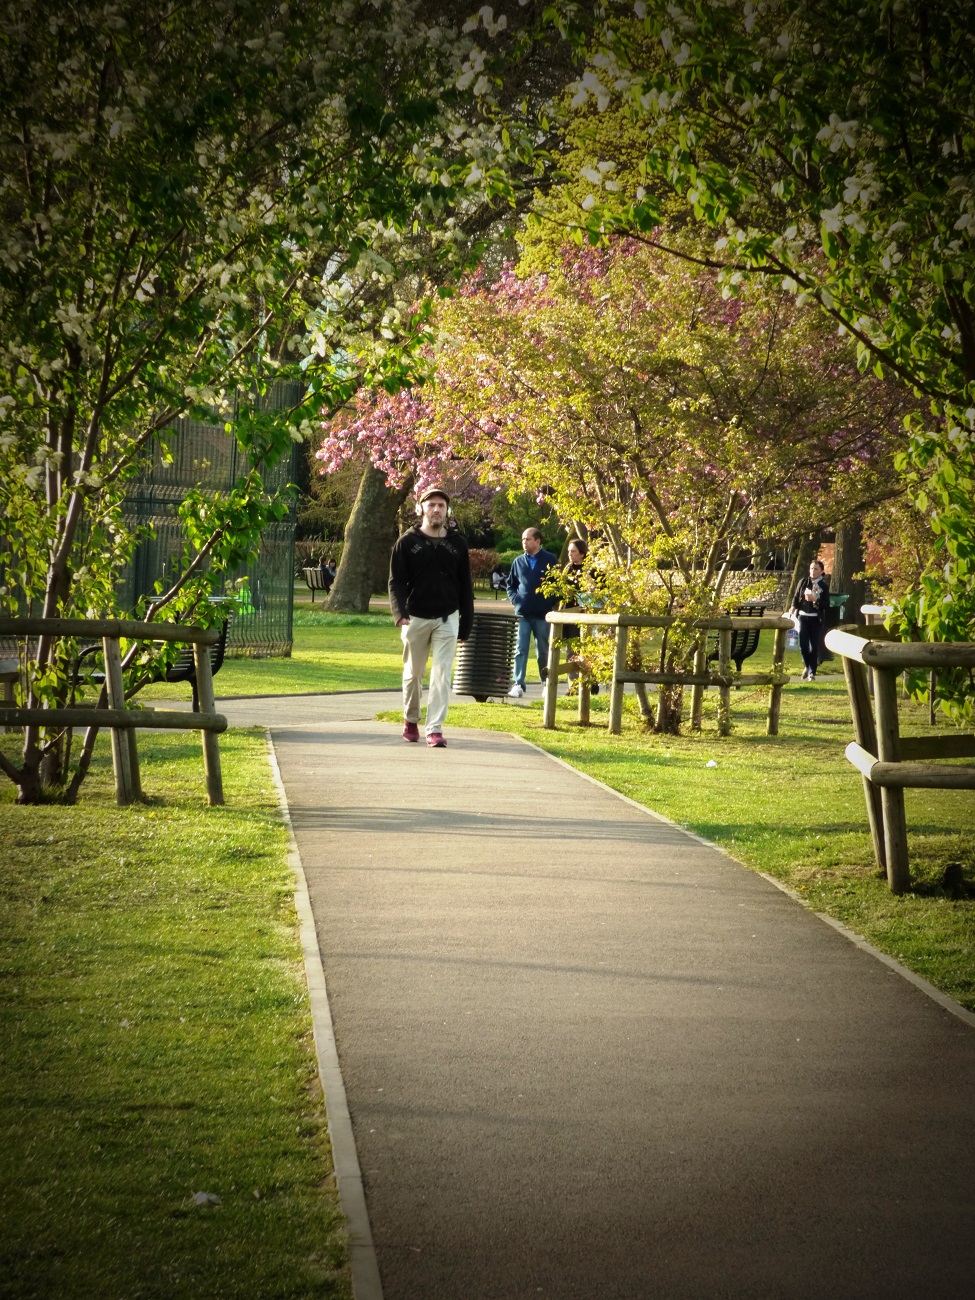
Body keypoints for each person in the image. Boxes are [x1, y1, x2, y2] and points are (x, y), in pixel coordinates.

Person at [389, 485, 474, 747]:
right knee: (413, 675)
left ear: (448, 511)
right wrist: (400, 613)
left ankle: (434, 728)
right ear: (421, 509)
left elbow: (465, 585)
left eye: (441, 505)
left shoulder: (458, 544)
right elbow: (396, 582)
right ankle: (410, 718)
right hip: (415, 617)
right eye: (431, 505)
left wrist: (465, 625)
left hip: (447, 618)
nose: (436, 509)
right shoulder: (407, 542)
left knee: (441, 674)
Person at [506, 527, 558, 697]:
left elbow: (558, 587)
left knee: (543, 650)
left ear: (537, 541)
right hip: (522, 614)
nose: (524, 542)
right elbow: (511, 584)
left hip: (543, 615)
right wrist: (516, 599)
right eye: (523, 539)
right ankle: (518, 684)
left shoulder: (550, 560)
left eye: (528, 539)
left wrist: (547, 602)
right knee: (520, 649)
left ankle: (546, 683)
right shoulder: (518, 562)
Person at [560, 537, 599, 694]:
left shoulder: (592, 570)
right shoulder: (567, 569)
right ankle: (573, 687)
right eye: (569, 551)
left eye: (573, 551)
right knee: (572, 651)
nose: (570, 554)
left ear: (582, 553)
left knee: (588, 650)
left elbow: (601, 594)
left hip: (588, 615)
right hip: (570, 616)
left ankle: (592, 680)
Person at [788, 559, 830, 680]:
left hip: (816, 619)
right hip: (802, 617)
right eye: (811, 568)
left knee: (814, 646)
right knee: (803, 645)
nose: (813, 571)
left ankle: (812, 672)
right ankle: (807, 666)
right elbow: (796, 597)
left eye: (816, 569)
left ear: (821, 571)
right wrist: (793, 607)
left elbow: (826, 604)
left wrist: (815, 600)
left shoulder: (823, 586)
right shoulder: (803, 582)